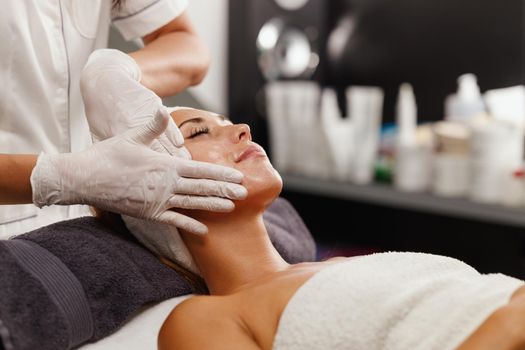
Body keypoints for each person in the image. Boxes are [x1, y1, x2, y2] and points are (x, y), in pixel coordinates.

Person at [157, 108, 525, 350]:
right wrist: (508, 327)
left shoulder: (343, 264)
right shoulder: (203, 319)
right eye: (199, 132)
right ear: (148, 196)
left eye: (226, 121)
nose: (242, 129)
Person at [0, 0, 246, 238]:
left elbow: (186, 44)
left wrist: (115, 71)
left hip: (83, 228)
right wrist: (57, 177)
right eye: (198, 132)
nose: (244, 130)